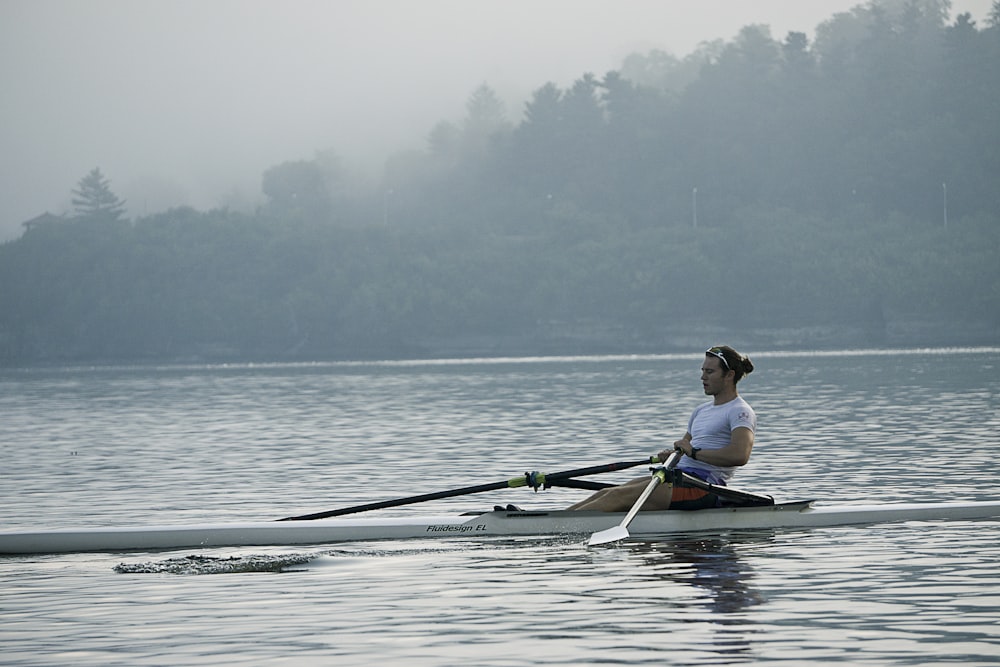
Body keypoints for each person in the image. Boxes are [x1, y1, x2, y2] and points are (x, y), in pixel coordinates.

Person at [567, 345, 755, 511]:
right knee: (610, 492)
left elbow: (740, 455)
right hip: (677, 476)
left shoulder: (740, 411)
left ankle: (558, 529)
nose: (702, 377)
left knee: (617, 497)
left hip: (703, 486)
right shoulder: (701, 411)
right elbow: (684, 448)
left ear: (729, 375)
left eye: (710, 372)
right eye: (703, 370)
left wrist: (694, 453)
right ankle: (554, 523)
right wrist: (673, 455)